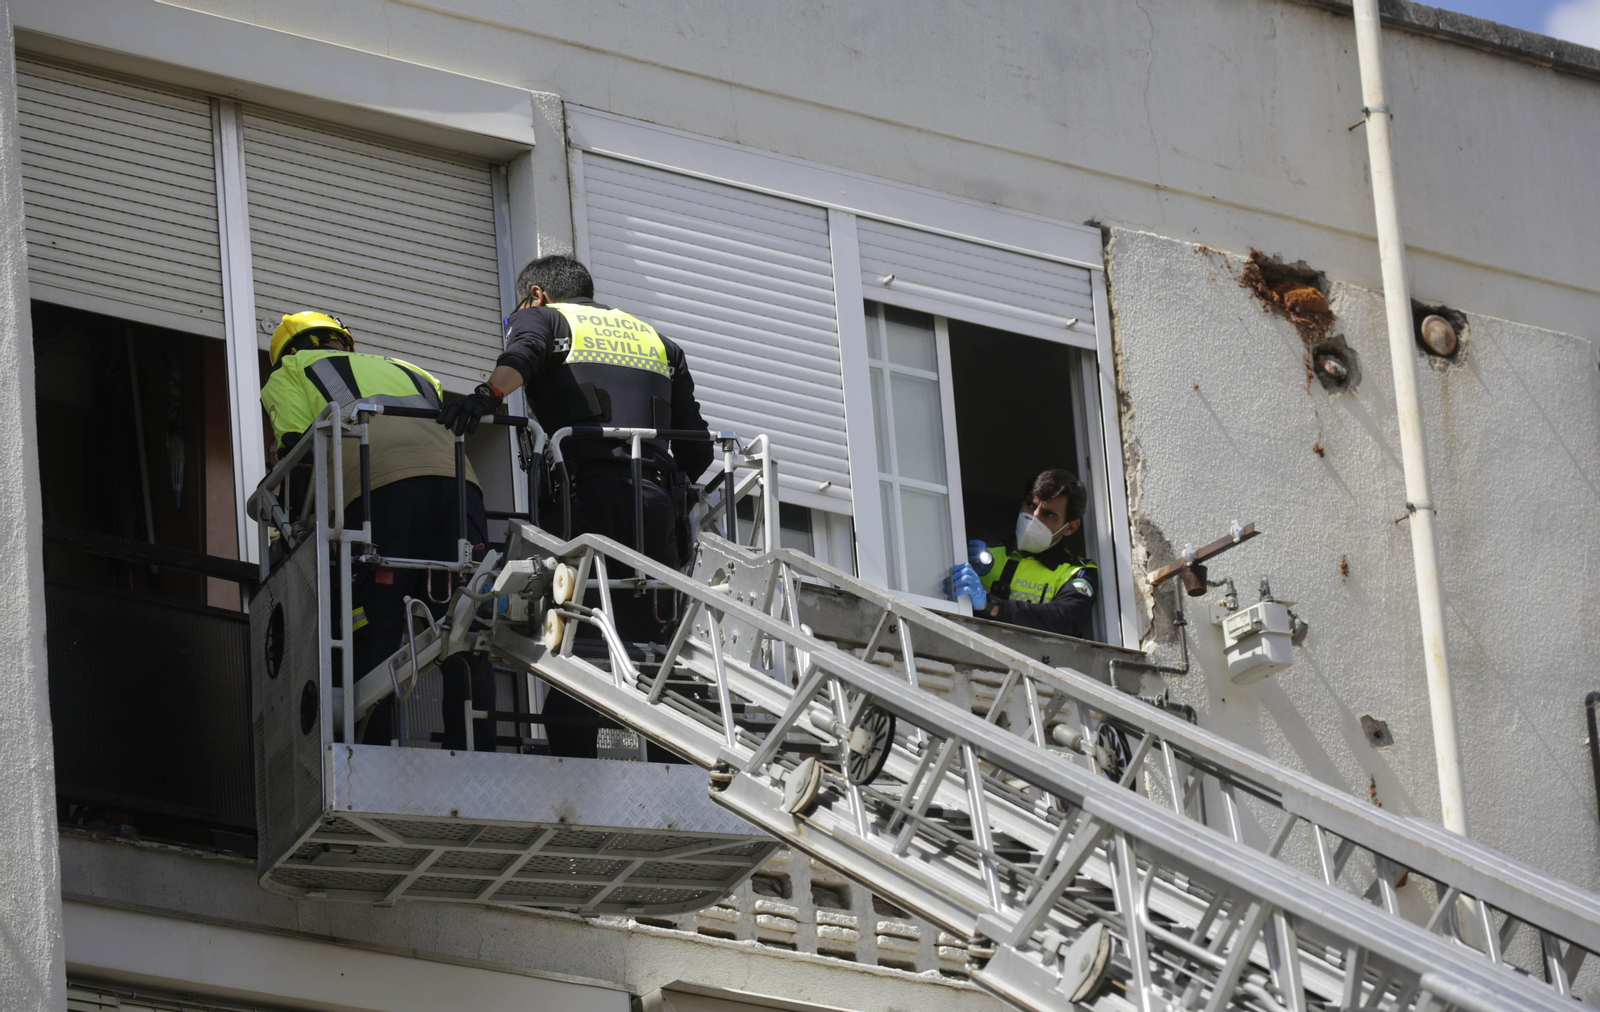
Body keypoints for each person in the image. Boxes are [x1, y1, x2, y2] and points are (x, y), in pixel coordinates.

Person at [438, 255, 713, 758]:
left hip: (583, 499)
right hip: (653, 507)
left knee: (574, 633)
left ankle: (578, 752)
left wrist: (486, 396)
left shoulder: (545, 317)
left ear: (536, 294)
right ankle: (671, 757)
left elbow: (523, 354)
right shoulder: (658, 340)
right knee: (648, 641)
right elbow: (698, 450)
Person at [260, 311, 495, 752]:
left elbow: (298, 454)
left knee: (375, 623)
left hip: (377, 494)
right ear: (343, 342)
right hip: (460, 490)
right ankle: (477, 751)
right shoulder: (411, 369)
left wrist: (293, 530)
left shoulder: (291, 371)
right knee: (465, 622)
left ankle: (370, 753)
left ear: (287, 350)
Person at [949, 468, 1099, 640]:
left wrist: (993, 605)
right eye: (1031, 505)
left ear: (1071, 527)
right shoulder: (986, 551)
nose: (1034, 517)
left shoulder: (1076, 572)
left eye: (1048, 514)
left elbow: (1067, 619)